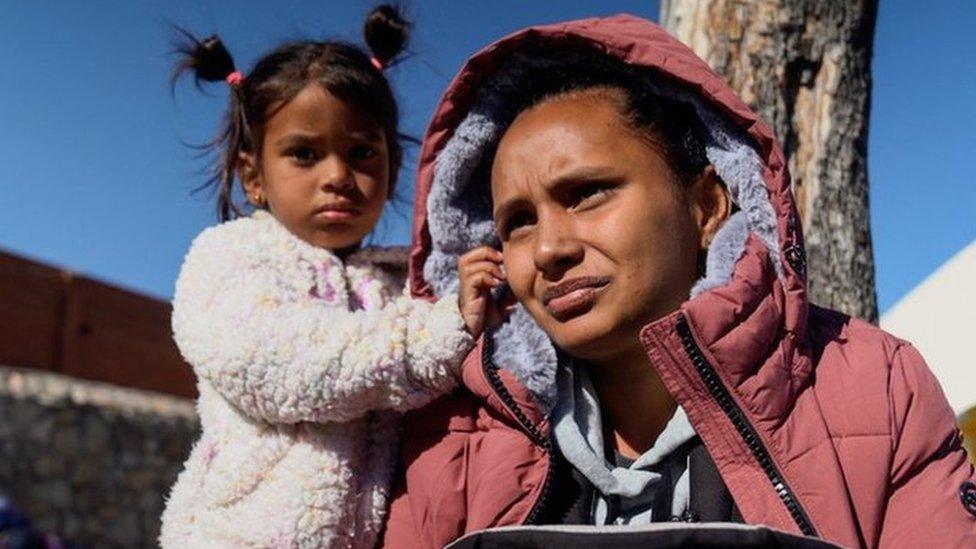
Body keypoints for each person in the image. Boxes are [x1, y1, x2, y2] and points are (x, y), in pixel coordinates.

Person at [382, 14, 976, 549]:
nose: (548, 249)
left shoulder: (876, 385)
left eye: (587, 193)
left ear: (707, 205)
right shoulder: (450, 438)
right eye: (516, 222)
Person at [158, 6, 500, 548]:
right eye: (304, 154)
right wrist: (437, 332)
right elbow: (281, 360)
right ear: (253, 177)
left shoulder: (403, 281)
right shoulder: (229, 259)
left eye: (362, 152)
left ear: (392, 170)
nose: (338, 176)